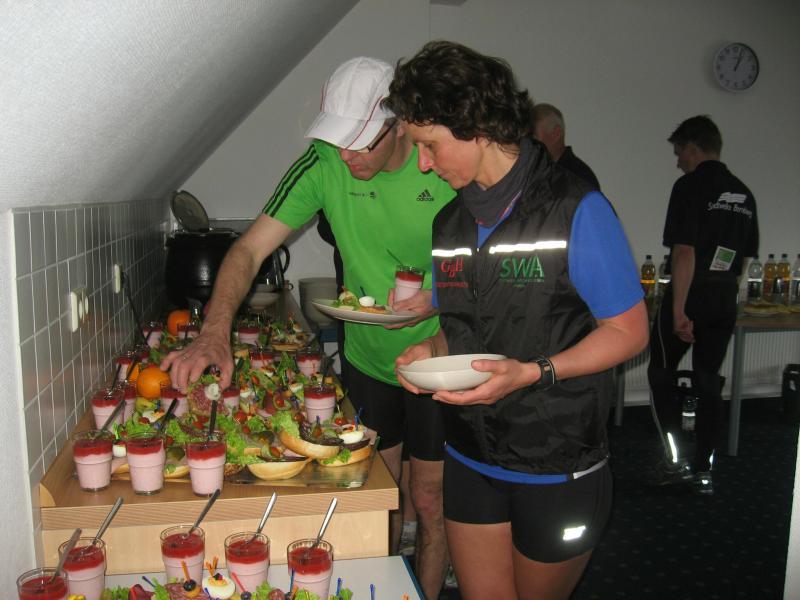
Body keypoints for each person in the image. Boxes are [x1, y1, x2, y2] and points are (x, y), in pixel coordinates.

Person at [162, 57, 455, 598]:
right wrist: (214, 332)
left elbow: (487, 264)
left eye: (360, 143)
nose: (346, 156)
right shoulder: (323, 162)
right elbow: (248, 250)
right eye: (338, 141)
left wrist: (437, 298)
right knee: (381, 497)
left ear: (399, 126)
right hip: (368, 359)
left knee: (431, 501)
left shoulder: (439, 162)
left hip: (439, 361)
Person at [386, 41, 648, 599]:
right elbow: (460, 323)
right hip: (470, 455)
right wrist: (431, 351)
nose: (423, 163)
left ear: (476, 125)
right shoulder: (449, 223)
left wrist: (532, 372)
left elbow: (630, 333)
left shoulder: (576, 209)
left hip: (555, 463)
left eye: (429, 144)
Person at [646, 115, 758, 495]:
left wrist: (679, 310)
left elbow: (684, 252)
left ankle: (674, 461)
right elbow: (744, 258)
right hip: (724, 296)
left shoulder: (689, 186)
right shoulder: (744, 194)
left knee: (660, 373)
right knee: (708, 381)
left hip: (690, 294)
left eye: (679, 152)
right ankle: (704, 469)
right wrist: (724, 293)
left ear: (693, 148)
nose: (678, 160)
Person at [532, 102, 601, 190]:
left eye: (533, 137)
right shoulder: (534, 174)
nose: (528, 144)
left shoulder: (579, 177)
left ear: (556, 134)